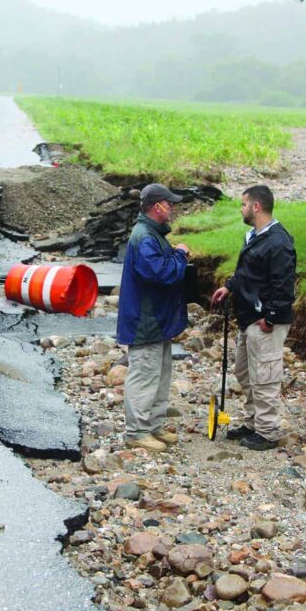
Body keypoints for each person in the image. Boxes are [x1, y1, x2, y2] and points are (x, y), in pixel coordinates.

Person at [210, 185, 296, 451]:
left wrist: (270, 318)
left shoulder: (279, 242)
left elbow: (284, 285)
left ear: (256, 206)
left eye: (243, 204)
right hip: (247, 317)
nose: (241, 208)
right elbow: (248, 272)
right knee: (244, 372)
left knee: (265, 376)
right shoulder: (253, 236)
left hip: (265, 322)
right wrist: (230, 286)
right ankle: (252, 422)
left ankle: (268, 432)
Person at [116, 184, 191, 452]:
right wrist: (180, 254)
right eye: (169, 203)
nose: (172, 208)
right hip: (145, 321)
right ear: (156, 206)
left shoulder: (152, 234)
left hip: (157, 321)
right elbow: (160, 273)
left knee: (160, 376)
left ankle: (153, 426)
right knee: (145, 375)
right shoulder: (145, 237)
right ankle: (137, 431)